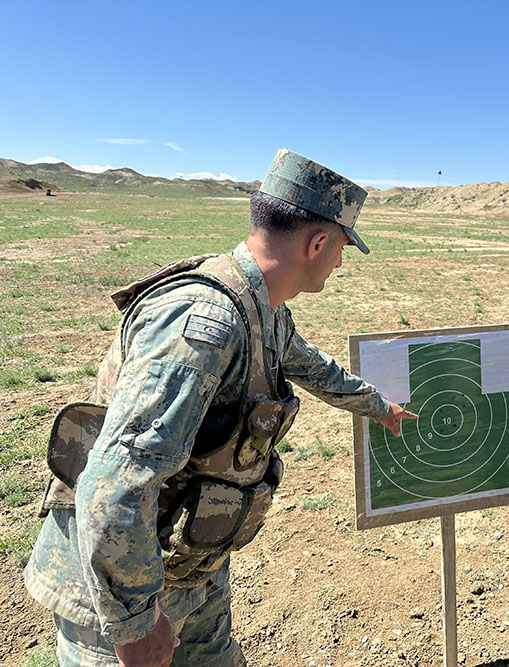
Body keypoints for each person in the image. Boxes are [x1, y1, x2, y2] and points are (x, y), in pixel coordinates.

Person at [25, 149, 417, 666]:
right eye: (342, 247)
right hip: (121, 586)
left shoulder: (263, 307)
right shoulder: (203, 326)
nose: (341, 262)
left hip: (188, 566)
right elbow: (117, 478)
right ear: (317, 242)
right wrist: (133, 625)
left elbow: (313, 366)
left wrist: (378, 407)